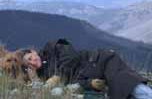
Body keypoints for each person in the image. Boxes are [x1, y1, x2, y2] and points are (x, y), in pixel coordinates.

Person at [21, 39, 152, 99]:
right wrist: (89, 83)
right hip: (96, 75)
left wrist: (58, 75)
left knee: (125, 84)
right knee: (121, 93)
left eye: (30, 58)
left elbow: (71, 57)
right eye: (28, 64)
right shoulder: (45, 76)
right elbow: (73, 81)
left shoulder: (51, 48)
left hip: (101, 61)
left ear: (33, 51)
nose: (33, 62)